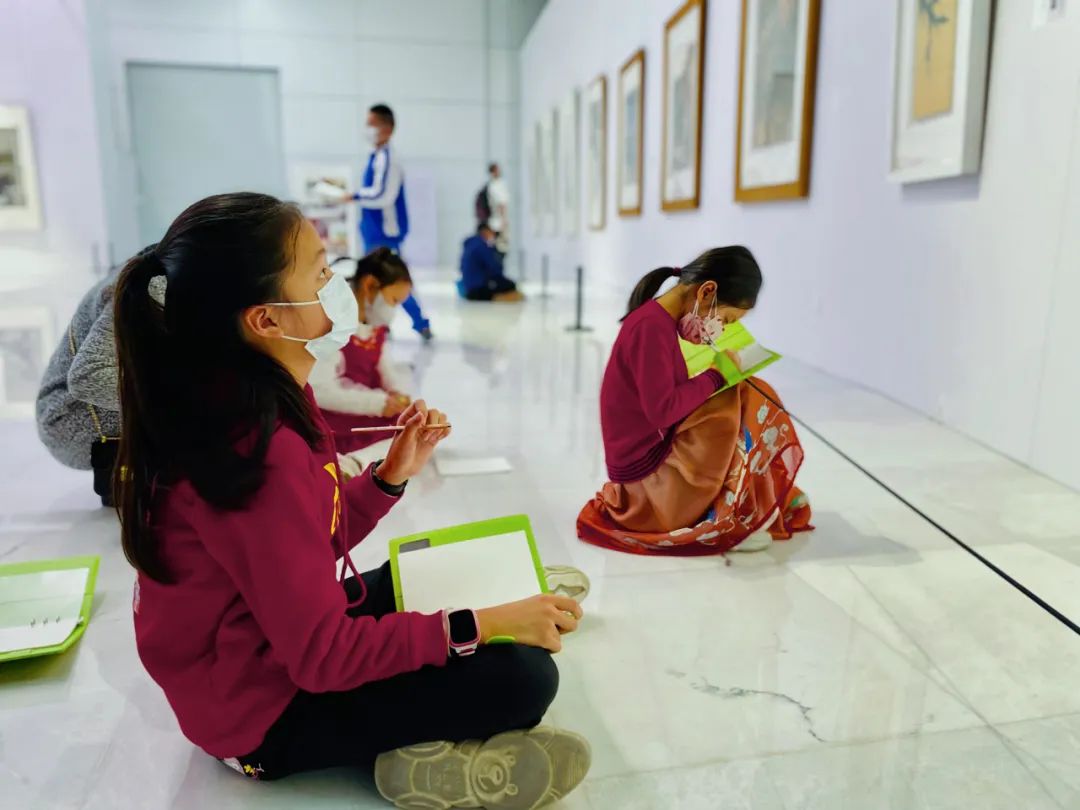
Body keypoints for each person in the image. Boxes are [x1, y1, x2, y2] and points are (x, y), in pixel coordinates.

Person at [113, 191, 591, 808]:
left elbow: (306, 538)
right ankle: (414, 751)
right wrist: (492, 623)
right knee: (524, 678)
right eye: (319, 273)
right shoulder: (253, 450)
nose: (336, 284)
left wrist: (389, 477)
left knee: (415, 574)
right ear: (266, 319)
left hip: (265, 642)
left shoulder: (264, 391)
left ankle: (500, 595)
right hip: (261, 717)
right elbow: (322, 657)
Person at [577, 246, 812, 555]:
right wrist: (716, 375)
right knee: (746, 396)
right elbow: (663, 411)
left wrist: (715, 378)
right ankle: (739, 512)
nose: (720, 329)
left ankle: (751, 500)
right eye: (725, 319)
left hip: (650, 464)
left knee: (746, 392)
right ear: (707, 291)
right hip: (648, 487)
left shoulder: (656, 321)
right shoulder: (651, 327)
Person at [35, 272, 164, 506]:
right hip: (69, 415)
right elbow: (88, 378)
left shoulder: (163, 272)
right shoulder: (155, 283)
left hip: (78, 411)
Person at [310, 248, 414, 458]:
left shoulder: (374, 327)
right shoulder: (331, 324)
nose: (394, 310)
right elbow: (320, 392)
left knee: (412, 419)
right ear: (369, 285)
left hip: (363, 405)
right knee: (406, 430)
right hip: (334, 414)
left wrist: (396, 392)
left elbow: (385, 369)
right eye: (394, 301)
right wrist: (377, 404)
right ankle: (356, 462)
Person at [343, 103, 433, 342]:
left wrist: (355, 196)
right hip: (373, 231)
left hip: (384, 233)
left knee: (394, 278)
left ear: (388, 128)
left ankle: (420, 323)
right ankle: (377, 324)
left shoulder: (388, 160)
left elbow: (383, 195)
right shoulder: (376, 157)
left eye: (372, 124)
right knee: (372, 280)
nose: (367, 129)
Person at [460, 223, 523, 302]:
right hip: (478, 289)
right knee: (510, 285)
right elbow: (494, 269)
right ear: (485, 231)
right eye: (491, 232)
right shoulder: (481, 246)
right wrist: (497, 252)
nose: (492, 234)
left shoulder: (470, 245)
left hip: (468, 288)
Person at [477, 162, 509, 256]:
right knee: (500, 247)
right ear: (494, 171)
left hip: (492, 221)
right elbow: (501, 204)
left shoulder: (490, 185)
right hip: (497, 222)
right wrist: (504, 221)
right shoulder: (497, 185)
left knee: (493, 245)